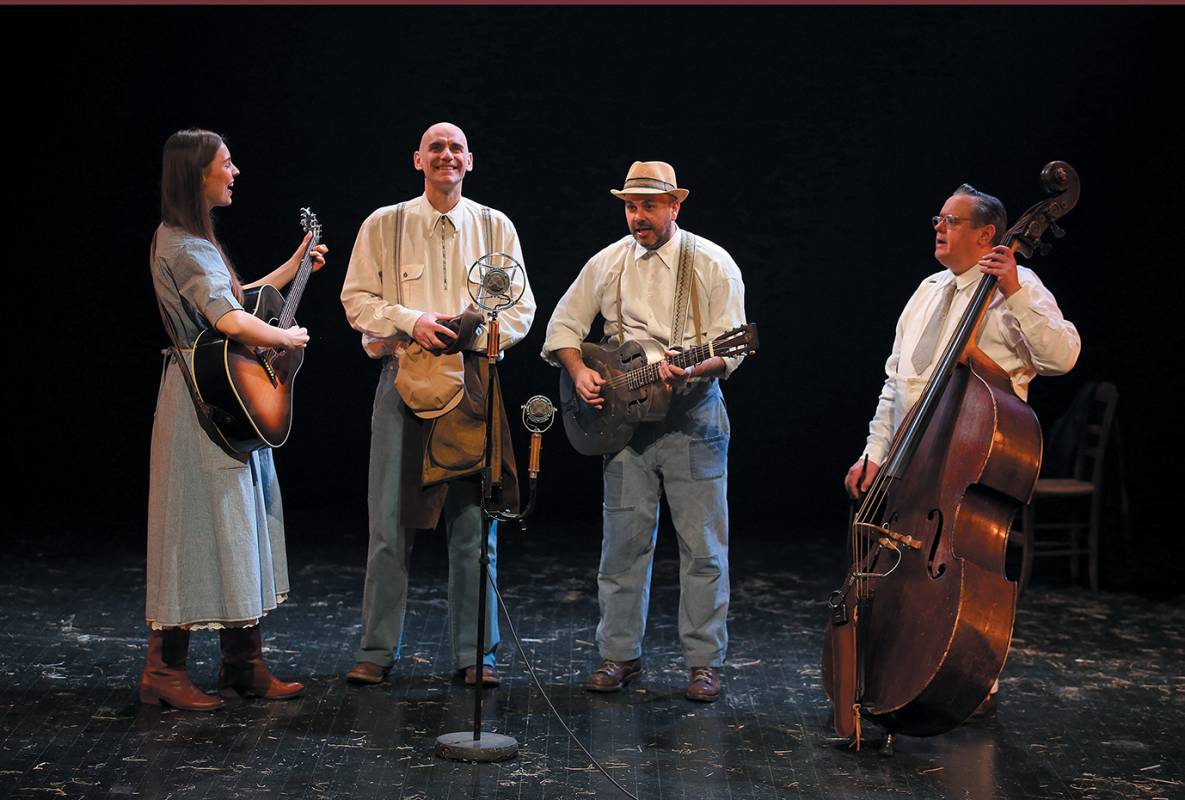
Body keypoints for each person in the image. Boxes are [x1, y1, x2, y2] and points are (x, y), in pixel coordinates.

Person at [842, 183, 1081, 715]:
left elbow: (1062, 356)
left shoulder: (1019, 286)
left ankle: (969, 671)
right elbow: (897, 382)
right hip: (911, 463)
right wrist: (874, 451)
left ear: (987, 234)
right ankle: (893, 666)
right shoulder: (927, 288)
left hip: (967, 468)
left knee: (965, 565)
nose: (938, 227)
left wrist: (1015, 289)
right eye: (938, 219)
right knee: (897, 564)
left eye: (950, 220)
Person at [542, 161, 747, 703]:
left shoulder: (710, 262)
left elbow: (734, 346)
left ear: (675, 206)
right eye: (631, 207)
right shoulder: (608, 262)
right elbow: (562, 326)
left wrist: (692, 368)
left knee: (702, 549)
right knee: (623, 546)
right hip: (625, 424)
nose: (638, 217)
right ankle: (619, 655)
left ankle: (704, 662)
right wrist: (580, 370)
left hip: (692, 419)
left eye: (649, 206)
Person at [341, 122, 535, 688]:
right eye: (436, 148)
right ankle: (376, 651)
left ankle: (477, 654)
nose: (446, 155)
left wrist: (475, 330)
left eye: (455, 148)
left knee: (474, 525)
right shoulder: (387, 223)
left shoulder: (494, 226)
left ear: (469, 161)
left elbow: (518, 309)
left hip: (472, 383)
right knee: (389, 522)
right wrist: (414, 321)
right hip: (403, 378)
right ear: (417, 160)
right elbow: (357, 299)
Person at [144, 128, 327, 710]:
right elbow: (227, 320)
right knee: (196, 527)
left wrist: (295, 264)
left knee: (235, 525)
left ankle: (242, 663)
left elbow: (236, 295)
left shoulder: (191, 241)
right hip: (203, 402)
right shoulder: (184, 245)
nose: (235, 171)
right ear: (198, 175)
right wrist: (285, 334)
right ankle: (164, 672)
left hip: (222, 400)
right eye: (226, 164)